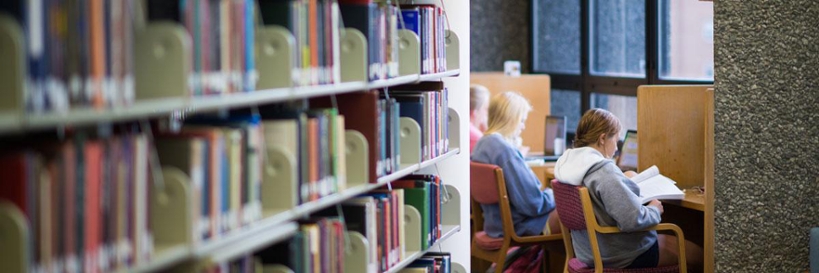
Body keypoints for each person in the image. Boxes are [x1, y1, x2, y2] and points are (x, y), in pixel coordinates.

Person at [553, 108, 703, 270]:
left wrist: (623, 183)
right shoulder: (603, 171)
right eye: (616, 140)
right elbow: (632, 220)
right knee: (700, 255)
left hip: (589, 252)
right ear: (602, 139)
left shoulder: (568, 165)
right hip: (624, 254)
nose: (617, 148)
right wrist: (654, 209)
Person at [471, 91, 560, 238]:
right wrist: (556, 194)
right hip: (520, 226)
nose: (523, 127)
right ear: (512, 119)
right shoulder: (505, 151)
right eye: (522, 120)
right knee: (575, 213)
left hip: (495, 224)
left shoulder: (481, 144)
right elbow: (534, 204)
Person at [469, 84, 490, 152]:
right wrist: (488, 132)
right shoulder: (477, 138)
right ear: (475, 112)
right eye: (485, 109)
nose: (486, 113)